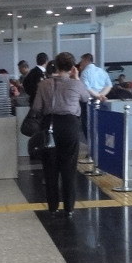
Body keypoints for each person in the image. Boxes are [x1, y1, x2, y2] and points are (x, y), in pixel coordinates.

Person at [31, 52, 90, 218]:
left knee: (50, 167)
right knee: (69, 167)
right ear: (72, 67)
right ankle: (69, 208)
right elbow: (86, 98)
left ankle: (52, 207)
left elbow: (36, 108)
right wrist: (76, 78)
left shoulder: (44, 84)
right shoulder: (76, 84)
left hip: (49, 125)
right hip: (70, 126)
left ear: (56, 65)